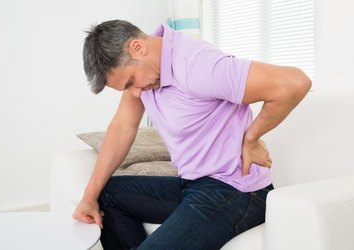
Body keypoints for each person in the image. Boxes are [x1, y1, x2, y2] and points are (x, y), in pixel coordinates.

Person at [73, 19, 311, 250]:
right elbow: (122, 128)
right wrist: (88, 196)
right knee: (108, 194)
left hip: (237, 192)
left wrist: (251, 137)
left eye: (130, 82)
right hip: (195, 185)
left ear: (138, 47)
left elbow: (293, 83)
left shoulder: (197, 65)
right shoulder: (146, 76)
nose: (134, 93)